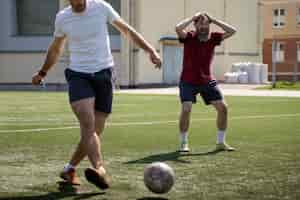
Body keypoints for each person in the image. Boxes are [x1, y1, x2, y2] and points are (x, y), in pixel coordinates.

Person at [32, 0, 161, 189]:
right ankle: (100, 169)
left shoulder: (101, 7)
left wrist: (149, 50)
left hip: (104, 74)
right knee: (87, 122)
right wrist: (42, 72)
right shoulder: (63, 18)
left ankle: (69, 169)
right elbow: (56, 48)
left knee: (94, 131)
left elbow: (127, 30)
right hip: (78, 75)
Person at [175, 12, 236, 152]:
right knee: (186, 108)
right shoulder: (189, 36)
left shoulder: (214, 38)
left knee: (223, 108)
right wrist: (192, 18)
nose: (204, 26)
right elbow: (178, 28)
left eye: (206, 23)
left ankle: (221, 142)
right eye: (200, 23)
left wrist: (214, 19)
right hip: (187, 81)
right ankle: (184, 143)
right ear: (195, 25)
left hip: (209, 81)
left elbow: (232, 31)